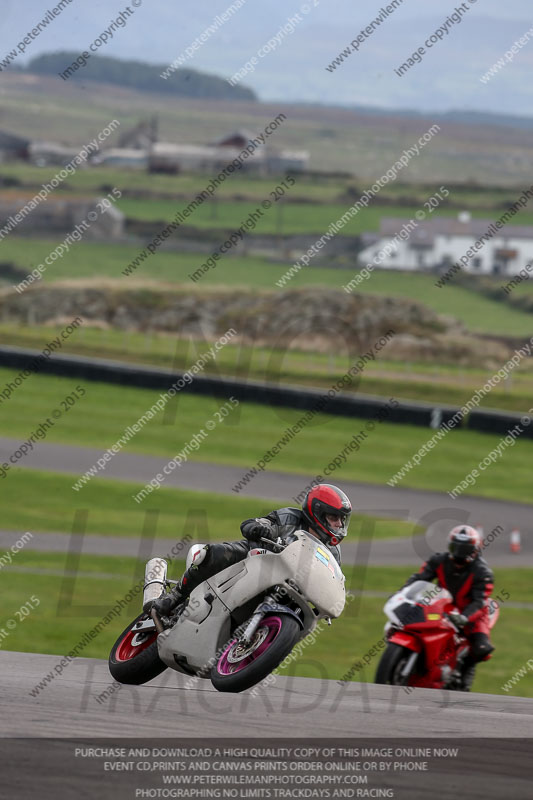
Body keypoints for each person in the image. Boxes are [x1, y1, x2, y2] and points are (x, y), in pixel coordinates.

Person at [152, 483, 352, 617]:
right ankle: (175, 596)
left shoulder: (333, 553)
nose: (338, 524)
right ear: (317, 512)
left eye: (341, 519)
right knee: (210, 554)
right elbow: (255, 523)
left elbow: (332, 580)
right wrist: (259, 527)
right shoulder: (290, 518)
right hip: (256, 558)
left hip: (287, 589)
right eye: (334, 518)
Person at [399, 524, 494, 692]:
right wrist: (403, 592)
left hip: (472, 612)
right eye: (455, 547)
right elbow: (421, 578)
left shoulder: (483, 572)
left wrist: (465, 617)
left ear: (473, 550)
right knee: (412, 622)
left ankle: (463, 678)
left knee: (482, 648)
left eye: (463, 549)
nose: (458, 553)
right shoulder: (439, 560)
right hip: (443, 605)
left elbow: (480, 602)